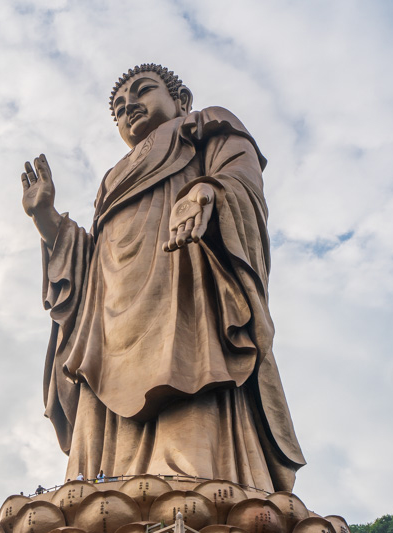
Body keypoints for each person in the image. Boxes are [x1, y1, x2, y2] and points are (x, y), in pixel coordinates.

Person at [22, 64, 305, 492]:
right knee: (98, 413)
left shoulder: (203, 124)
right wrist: (46, 218)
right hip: (110, 310)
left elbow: (241, 179)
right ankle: (100, 488)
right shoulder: (111, 179)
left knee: (188, 374)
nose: (129, 107)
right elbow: (90, 257)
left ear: (181, 100)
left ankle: (196, 478)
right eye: (119, 108)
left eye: (142, 92)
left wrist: (207, 192)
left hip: (182, 285)